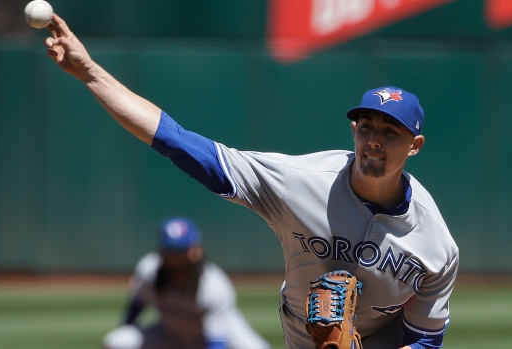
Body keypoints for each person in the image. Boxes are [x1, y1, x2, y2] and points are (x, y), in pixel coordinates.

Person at [45, 14, 459, 349]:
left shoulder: (436, 244)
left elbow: (425, 339)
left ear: (415, 145)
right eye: (366, 126)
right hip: (304, 331)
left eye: (390, 132)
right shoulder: (299, 182)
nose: (373, 140)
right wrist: (91, 73)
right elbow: (178, 141)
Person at [102, 217, 271, 349]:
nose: (175, 258)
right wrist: (126, 329)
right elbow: (137, 304)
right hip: (169, 334)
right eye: (170, 251)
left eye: (181, 251)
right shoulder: (148, 271)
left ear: (196, 251)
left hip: (221, 333)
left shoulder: (214, 286)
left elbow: (216, 342)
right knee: (117, 341)